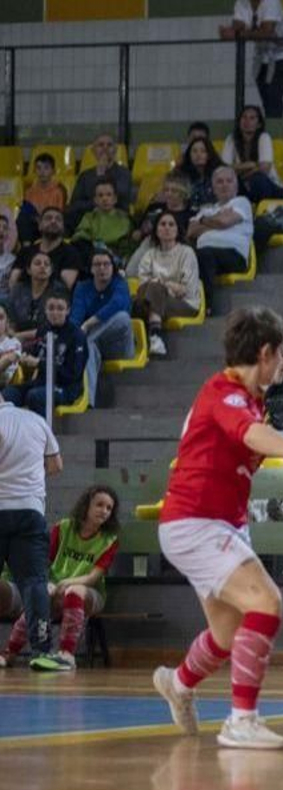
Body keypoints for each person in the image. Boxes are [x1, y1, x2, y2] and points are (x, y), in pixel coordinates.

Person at [151, 307, 283, 749]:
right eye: (281, 356)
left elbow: (251, 430)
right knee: (267, 601)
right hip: (196, 520)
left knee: (225, 635)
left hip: (221, 522)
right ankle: (242, 720)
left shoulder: (249, 395)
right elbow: (252, 435)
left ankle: (178, 683)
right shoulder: (225, 393)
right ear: (265, 352)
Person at [0, 485, 117, 671]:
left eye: (109, 508)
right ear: (86, 505)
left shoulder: (110, 539)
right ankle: (8, 654)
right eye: (99, 505)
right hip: (54, 587)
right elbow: (42, 563)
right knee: (39, 597)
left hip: (89, 593)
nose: (104, 511)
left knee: (74, 591)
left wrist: (65, 583)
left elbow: (92, 578)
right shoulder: (63, 528)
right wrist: (47, 584)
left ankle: (67, 655)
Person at [0, 385, 63, 672]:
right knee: (34, 582)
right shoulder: (37, 421)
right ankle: (42, 651)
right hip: (30, 509)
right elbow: (55, 465)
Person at [70, 248, 135, 406]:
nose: (102, 268)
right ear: (91, 269)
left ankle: (84, 341)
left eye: (106, 264)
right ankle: (89, 402)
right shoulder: (82, 287)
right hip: (94, 344)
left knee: (123, 318)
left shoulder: (120, 284)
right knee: (88, 346)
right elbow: (75, 317)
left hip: (119, 346)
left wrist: (89, 323)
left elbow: (118, 304)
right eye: (97, 264)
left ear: (113, 268)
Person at [131, 211, 200, 359]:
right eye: (162, 224)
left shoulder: (186, 253)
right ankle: (152, 337)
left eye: (171, 224)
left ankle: (155, 336)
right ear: (156, 230)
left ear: (177, 229)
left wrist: (162, 285)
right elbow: (143, 286)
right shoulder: (149, 254)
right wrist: (168, 286)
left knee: (154, 289)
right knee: (141, 296)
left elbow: (186, 290)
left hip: (185, 303)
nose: (167, 228)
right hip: (156, 299)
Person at [223, 0, 283, 118]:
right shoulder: (242, 3)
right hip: (262, 59)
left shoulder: (271, 2)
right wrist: (245, 32)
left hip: (282, 58)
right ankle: (271, 128)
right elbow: (237, 28)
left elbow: (267, 31)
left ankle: (275, 130)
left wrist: (241, 33)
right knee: (267, 102)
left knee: (273, 100)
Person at [188, 167, 254, 293]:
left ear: (236, 186)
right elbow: (191, 231)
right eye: (220, 182)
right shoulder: (206, 209)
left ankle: (207, 304)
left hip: (234, 255)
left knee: (204, 255)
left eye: (229, 181)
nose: (225, 185)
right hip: (206, 253)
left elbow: (224, 222)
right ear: (213, 188)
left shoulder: (241, 202)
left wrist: (203, 221)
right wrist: (216, 221)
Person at [65, 134, 134, 232]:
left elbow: (120, 198)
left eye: (109, 145)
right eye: (101, 145)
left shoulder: (124, 173)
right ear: (94, 151)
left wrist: (101, 175)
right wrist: (93, 205)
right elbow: (75, 204)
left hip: (115, 218)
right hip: (89, 218)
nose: (105, 148)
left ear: (115, 150)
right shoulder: (85, 175)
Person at [220, 105, 283, 202]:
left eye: (252, 118)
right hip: (245, 186)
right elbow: (223, 168)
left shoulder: (264, 137)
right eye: (244, 117)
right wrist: (251, 165)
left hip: (271, 187)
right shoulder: (231, 139)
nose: (247, 121)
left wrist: (239, 171)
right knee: (228, 183)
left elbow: (264, 169)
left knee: (258, 180)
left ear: (259, 124)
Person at [11, 207, 81, 293]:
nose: (53, 221)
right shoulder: (25, 252)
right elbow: (13, 282)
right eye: (48, 218)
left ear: (63, 227)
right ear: (39, 225)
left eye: (58, 219)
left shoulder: (71, 253)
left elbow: (65, 288)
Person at [69, 179, 136, 259]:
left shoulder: (125, 219)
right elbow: (79, 238)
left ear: (115, 199)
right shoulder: (89, 217)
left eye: (109, 195)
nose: (105, 199)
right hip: (92, 256)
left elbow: (130, 244)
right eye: (100, 195)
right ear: (95, 200)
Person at [175, 137, 222, 207]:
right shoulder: (182, 176)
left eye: (203, 151)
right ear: (189, 155)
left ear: (209, 154)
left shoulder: (220, 173)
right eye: (194, 151)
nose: (198, 155)